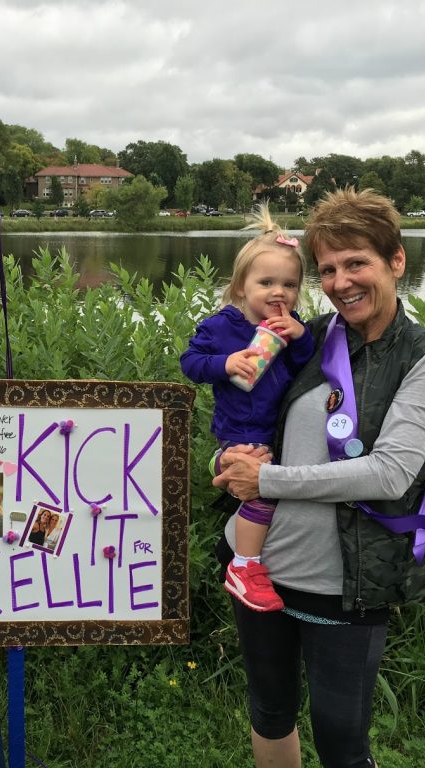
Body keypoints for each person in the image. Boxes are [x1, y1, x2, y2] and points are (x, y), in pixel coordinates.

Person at [214, 188, 425, 768]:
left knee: (341, 739)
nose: (341, 282)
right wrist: (226, 460)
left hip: (346, 584)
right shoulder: (310, 335)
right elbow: (244, 406)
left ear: (396, 261)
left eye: (357, 263)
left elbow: (390, 472)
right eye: (326, 269)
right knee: (270, 712)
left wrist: (266, 480)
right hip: (261, 570)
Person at [181, 204, 314, 611]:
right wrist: (224, 363)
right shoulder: (222, 326)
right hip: (239, 431)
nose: (279, 293)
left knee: (270, 493)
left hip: (277, 432)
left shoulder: (289, 327)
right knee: (264, 494)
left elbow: (305, 368)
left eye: (289, 285)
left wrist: (302, 336)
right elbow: (190, 363)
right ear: (241, 287)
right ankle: (244, 565)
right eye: (267, 282)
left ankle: (253, 559)